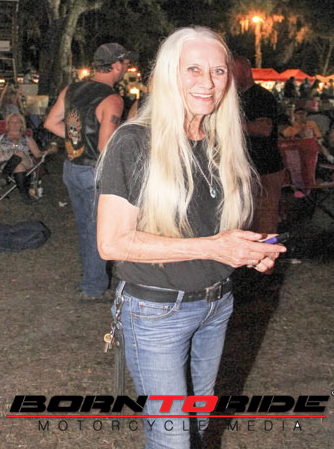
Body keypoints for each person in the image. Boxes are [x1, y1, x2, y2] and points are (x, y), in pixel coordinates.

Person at [96, 27, 285, 449]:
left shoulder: (221, 142)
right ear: (168, 74)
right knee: (173, 439)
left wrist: (246, 250)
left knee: (197, 425)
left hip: (216, 306)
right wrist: (214, 247)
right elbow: (111, 242)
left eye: (218, 71)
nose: (208, 82)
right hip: (156, 312)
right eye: (193, 69)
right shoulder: (134, 141)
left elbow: (212, 230)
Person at [44, 42, 136, 302]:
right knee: (99, 229)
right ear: (116, 65)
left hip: (72, 167)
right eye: (126, 63)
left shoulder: (71, 89)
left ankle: (91, 281)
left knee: (87, 228)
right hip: (94, 172)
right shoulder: (113, 100)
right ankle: (94, 288)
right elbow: (106, 147)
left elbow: (51, 123)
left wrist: (78, 141)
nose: (127, 67)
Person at [231, 56, 285, 234]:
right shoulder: (234, 98)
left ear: (246, 72)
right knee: (245, 218)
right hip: (243, 168)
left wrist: (231, 127)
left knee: (265, 218)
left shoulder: (262, 97)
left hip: (265, 169)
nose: (229, 75)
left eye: (233, 70)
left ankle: (267, 250)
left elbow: (264, 129)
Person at [0, 113, 44, 203]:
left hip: (26, 163)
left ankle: (4, 176)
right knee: (19, 166)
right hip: (4, 164)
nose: (15, 124)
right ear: (8, 124)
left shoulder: (27, 139)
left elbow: (37, 154)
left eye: (17, 122)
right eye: (12, 122)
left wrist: (48, 151)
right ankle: (25, 197)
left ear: (22, 124)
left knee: (20, 153)